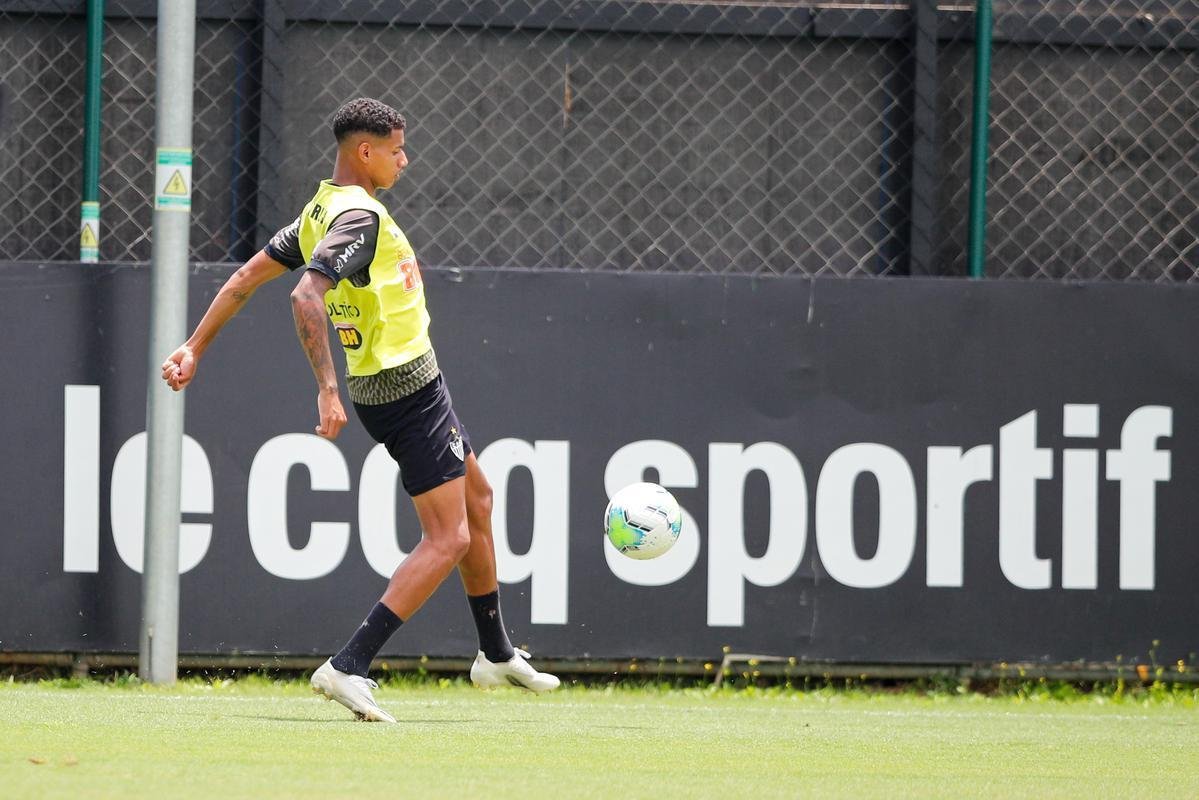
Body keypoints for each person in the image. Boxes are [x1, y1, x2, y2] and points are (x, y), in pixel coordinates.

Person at [161, 97, 559, 722]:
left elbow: (243, 281)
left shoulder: (320, 211)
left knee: (478, 501)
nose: (406, 158)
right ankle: (348, 664)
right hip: (403, 389)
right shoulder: (357, 219)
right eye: (397, 149)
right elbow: (304, 296)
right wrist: (326, 387)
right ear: (365, 152)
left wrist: (193, 346)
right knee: (449, 536)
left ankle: (495, 652)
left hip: (415, 380)